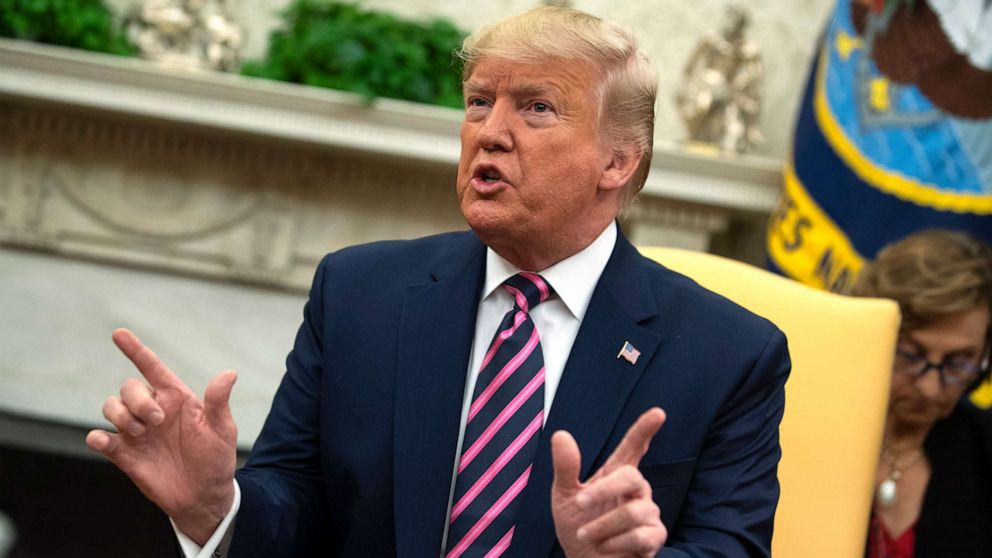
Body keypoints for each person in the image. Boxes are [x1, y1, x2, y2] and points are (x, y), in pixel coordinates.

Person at [86, 7, 791, 557]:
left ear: (617, 162)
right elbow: (296, 506)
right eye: (479, 101)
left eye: (536, 107)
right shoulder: (359, 293)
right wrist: (215, 507)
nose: (490, 131)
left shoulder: (726, 355)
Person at [853, 230, 992, 557]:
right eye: (911, 354)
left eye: (959, 362)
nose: (930, 388)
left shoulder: (984, 447)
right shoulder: (807, 429)